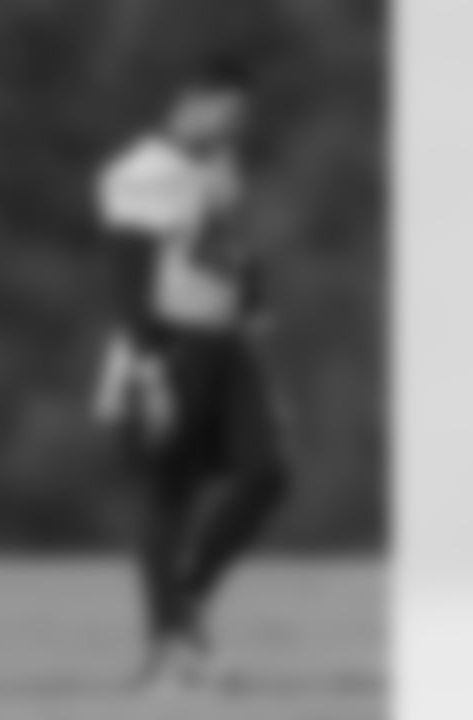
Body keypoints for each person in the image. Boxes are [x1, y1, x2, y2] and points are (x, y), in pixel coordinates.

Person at [92, 57, 292, 692]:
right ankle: (168, 647)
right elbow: (127, 277)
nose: (234, 125)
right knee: (166, 495)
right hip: (168, 344)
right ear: (190, 102)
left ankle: (185, 598)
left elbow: (231, 250)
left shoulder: (220, 166)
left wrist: (255, 304)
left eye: (240, 115)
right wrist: (146, 366)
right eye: (226, 111)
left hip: (225, 342)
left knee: (267, 472)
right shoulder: (141, 174)